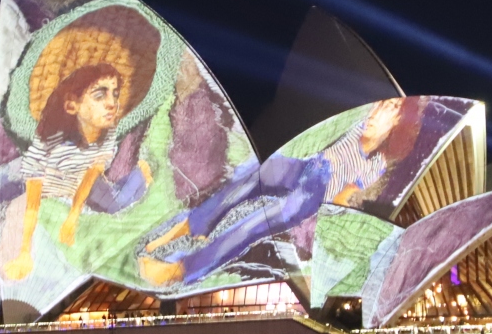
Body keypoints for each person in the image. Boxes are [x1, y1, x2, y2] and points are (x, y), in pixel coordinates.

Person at [137, 97, 418, 287]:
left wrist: (333, 211)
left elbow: (343, 198)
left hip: (313, 194)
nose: (377, 112)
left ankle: (180, 270)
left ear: (398, 123)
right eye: (381, 105)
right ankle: (195, 224)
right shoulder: (356, 125)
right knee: (253, 174)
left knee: (253, 225)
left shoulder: (375, 163)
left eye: (390, 109)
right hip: (306, 166)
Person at [3, 63, 153, 281]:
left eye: (115, 94)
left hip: (79, 180)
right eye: (100, 95)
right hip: (41, 178)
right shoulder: (49, 141)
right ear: (72, 105)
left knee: (117, 203)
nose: (112, 103)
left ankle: (140, 172)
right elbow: (32, 204)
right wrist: (24, 252)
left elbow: (90, 176)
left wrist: (73, 217)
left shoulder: (107, 130)